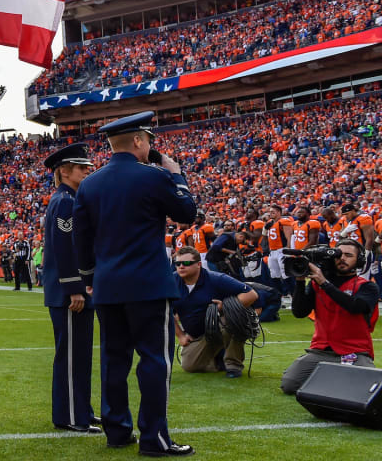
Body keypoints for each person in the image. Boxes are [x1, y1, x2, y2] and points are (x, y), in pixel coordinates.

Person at [74, 111, 196, 457]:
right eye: (149, 141)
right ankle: (154, 437)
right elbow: (187, 212)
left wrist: (89, 279)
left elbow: (81, 241)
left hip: (108, 285)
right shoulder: (153, 177)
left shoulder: (90, 184)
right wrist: (178, 175)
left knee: (114, 361)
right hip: (149, 285)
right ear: (139, 141)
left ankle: (116, 431)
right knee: (154, 360)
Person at [41, 143, 100, 433]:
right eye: (81, 167)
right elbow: (65, 248)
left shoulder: (71, 198)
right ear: (64, 171)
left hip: (75, 290)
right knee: (71, 357)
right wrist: (74, 288)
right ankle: (71, 416)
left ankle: (82, 410)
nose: (88, 170)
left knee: (80, 356)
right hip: (69, 293)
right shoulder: (65, 201)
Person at [280, 239, 379, 394]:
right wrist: (299, 280)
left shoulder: (367, 286)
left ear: (359, 260)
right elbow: (299, 313)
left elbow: (355, 307)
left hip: (355, 350)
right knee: (289, 384)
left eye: (348, 255)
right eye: (339, 255)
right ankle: (333, 378)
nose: (342, 259)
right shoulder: (316, 283)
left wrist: (324, 283)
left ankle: (331, 378)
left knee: (367, 389)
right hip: (321, 350)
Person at [171, 247, 258, 378]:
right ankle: (218, 360)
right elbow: (165, 312)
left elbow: (251, 294)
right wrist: (181, 335)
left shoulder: (217, 279)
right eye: (178, 264)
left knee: (234, 318)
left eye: (186, 263)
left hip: (220, 325)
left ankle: (233, 365)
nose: (181, 266)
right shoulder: (171, 282)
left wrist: (225, 307)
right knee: (190, 366)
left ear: (199, 264)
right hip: (198, 335)